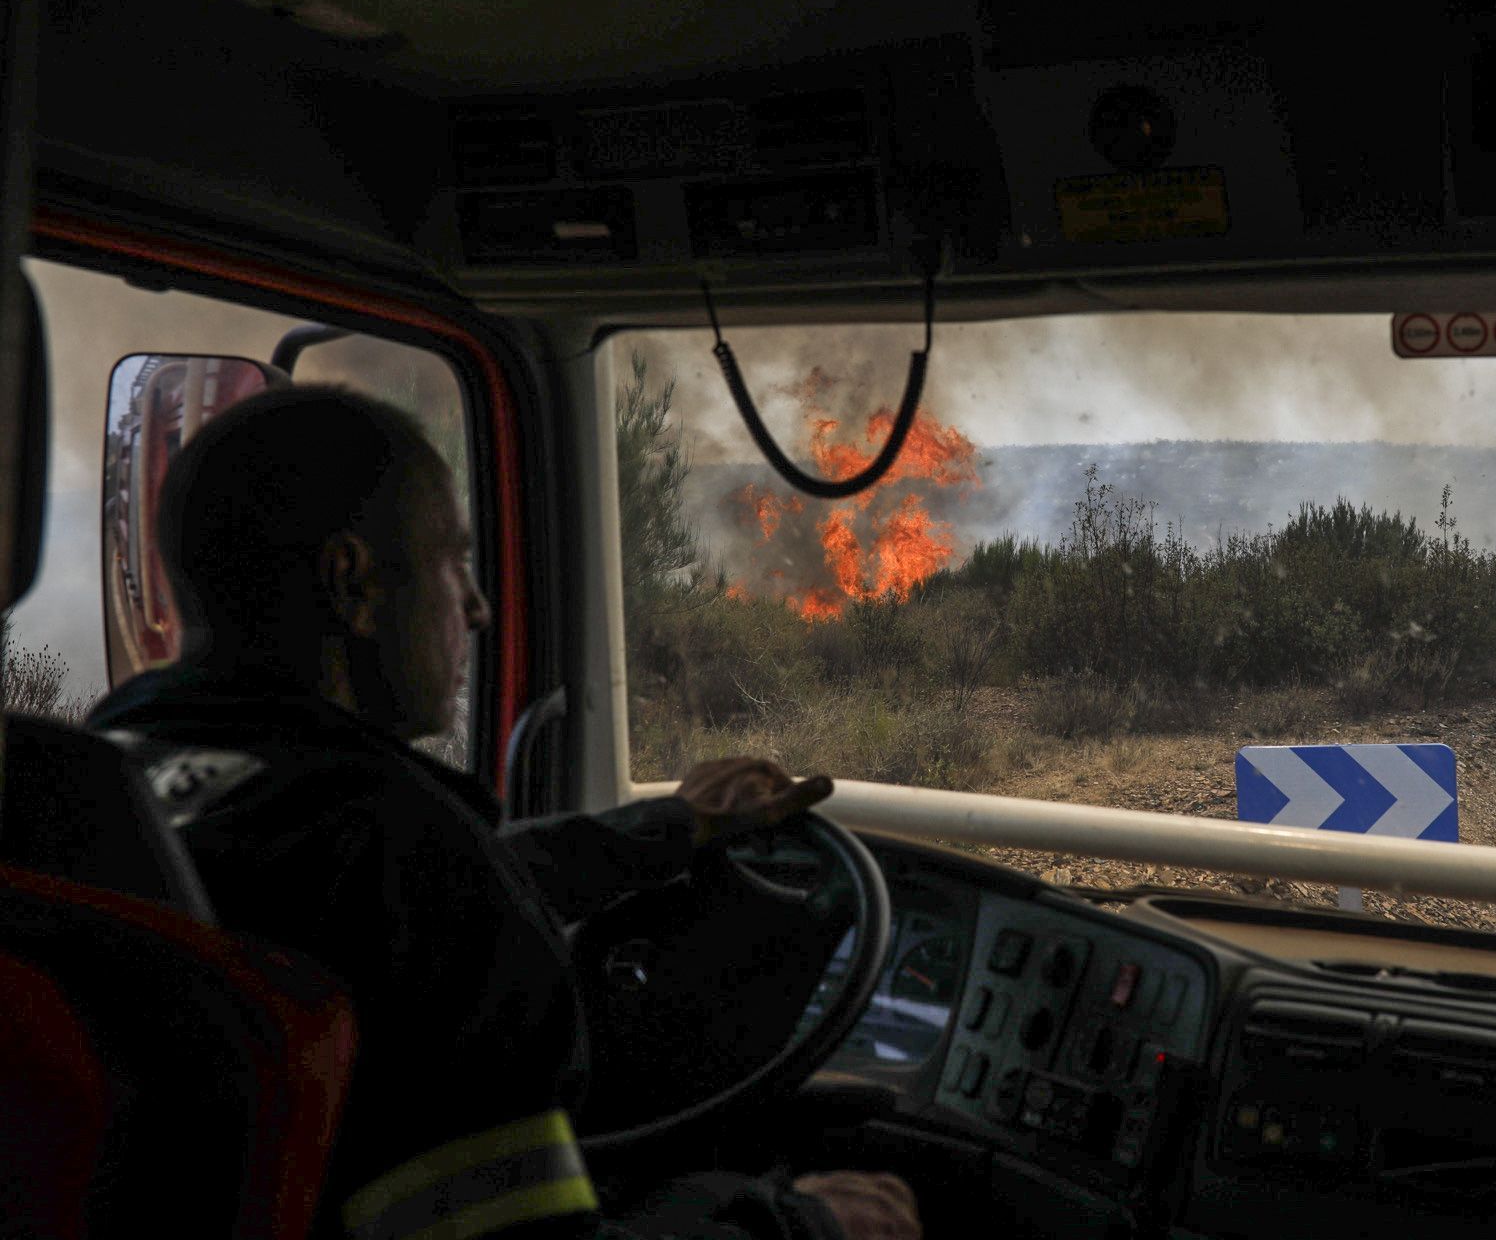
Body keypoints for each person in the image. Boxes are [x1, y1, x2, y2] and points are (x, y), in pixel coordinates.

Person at [87, 386, 919, 1240]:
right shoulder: (402, 853)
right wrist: (811, 1226)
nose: (479, 607)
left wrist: (671, 828)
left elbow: (407, 896)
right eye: (454, 562)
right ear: (352, 583)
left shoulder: (107, 778)